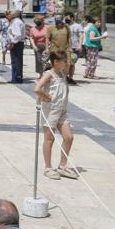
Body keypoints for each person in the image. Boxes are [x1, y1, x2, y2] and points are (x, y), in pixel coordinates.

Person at [34, 51, 78, 181]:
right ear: (56, 62)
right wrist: (46, 97)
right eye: (63, 61)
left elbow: (70, 63)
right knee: (49, 139)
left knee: (69, 137)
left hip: (62, 110)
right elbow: (37, 89)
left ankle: (62, 166)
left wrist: (68, 52)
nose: (66, 63)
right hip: (51, 111)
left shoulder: (63, 73)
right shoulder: (49, 74)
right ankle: (48, 167)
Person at [6, 10, 27, 83]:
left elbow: (17, 35)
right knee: (16, 61)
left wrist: (12, 42)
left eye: (9, 14)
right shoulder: (17, 22)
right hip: (18, 43)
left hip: (17, 43)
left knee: (16, 61)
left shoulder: (16, 22)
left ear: (15, 15)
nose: (7, 16)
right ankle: (16, 77)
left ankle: (16, 78)